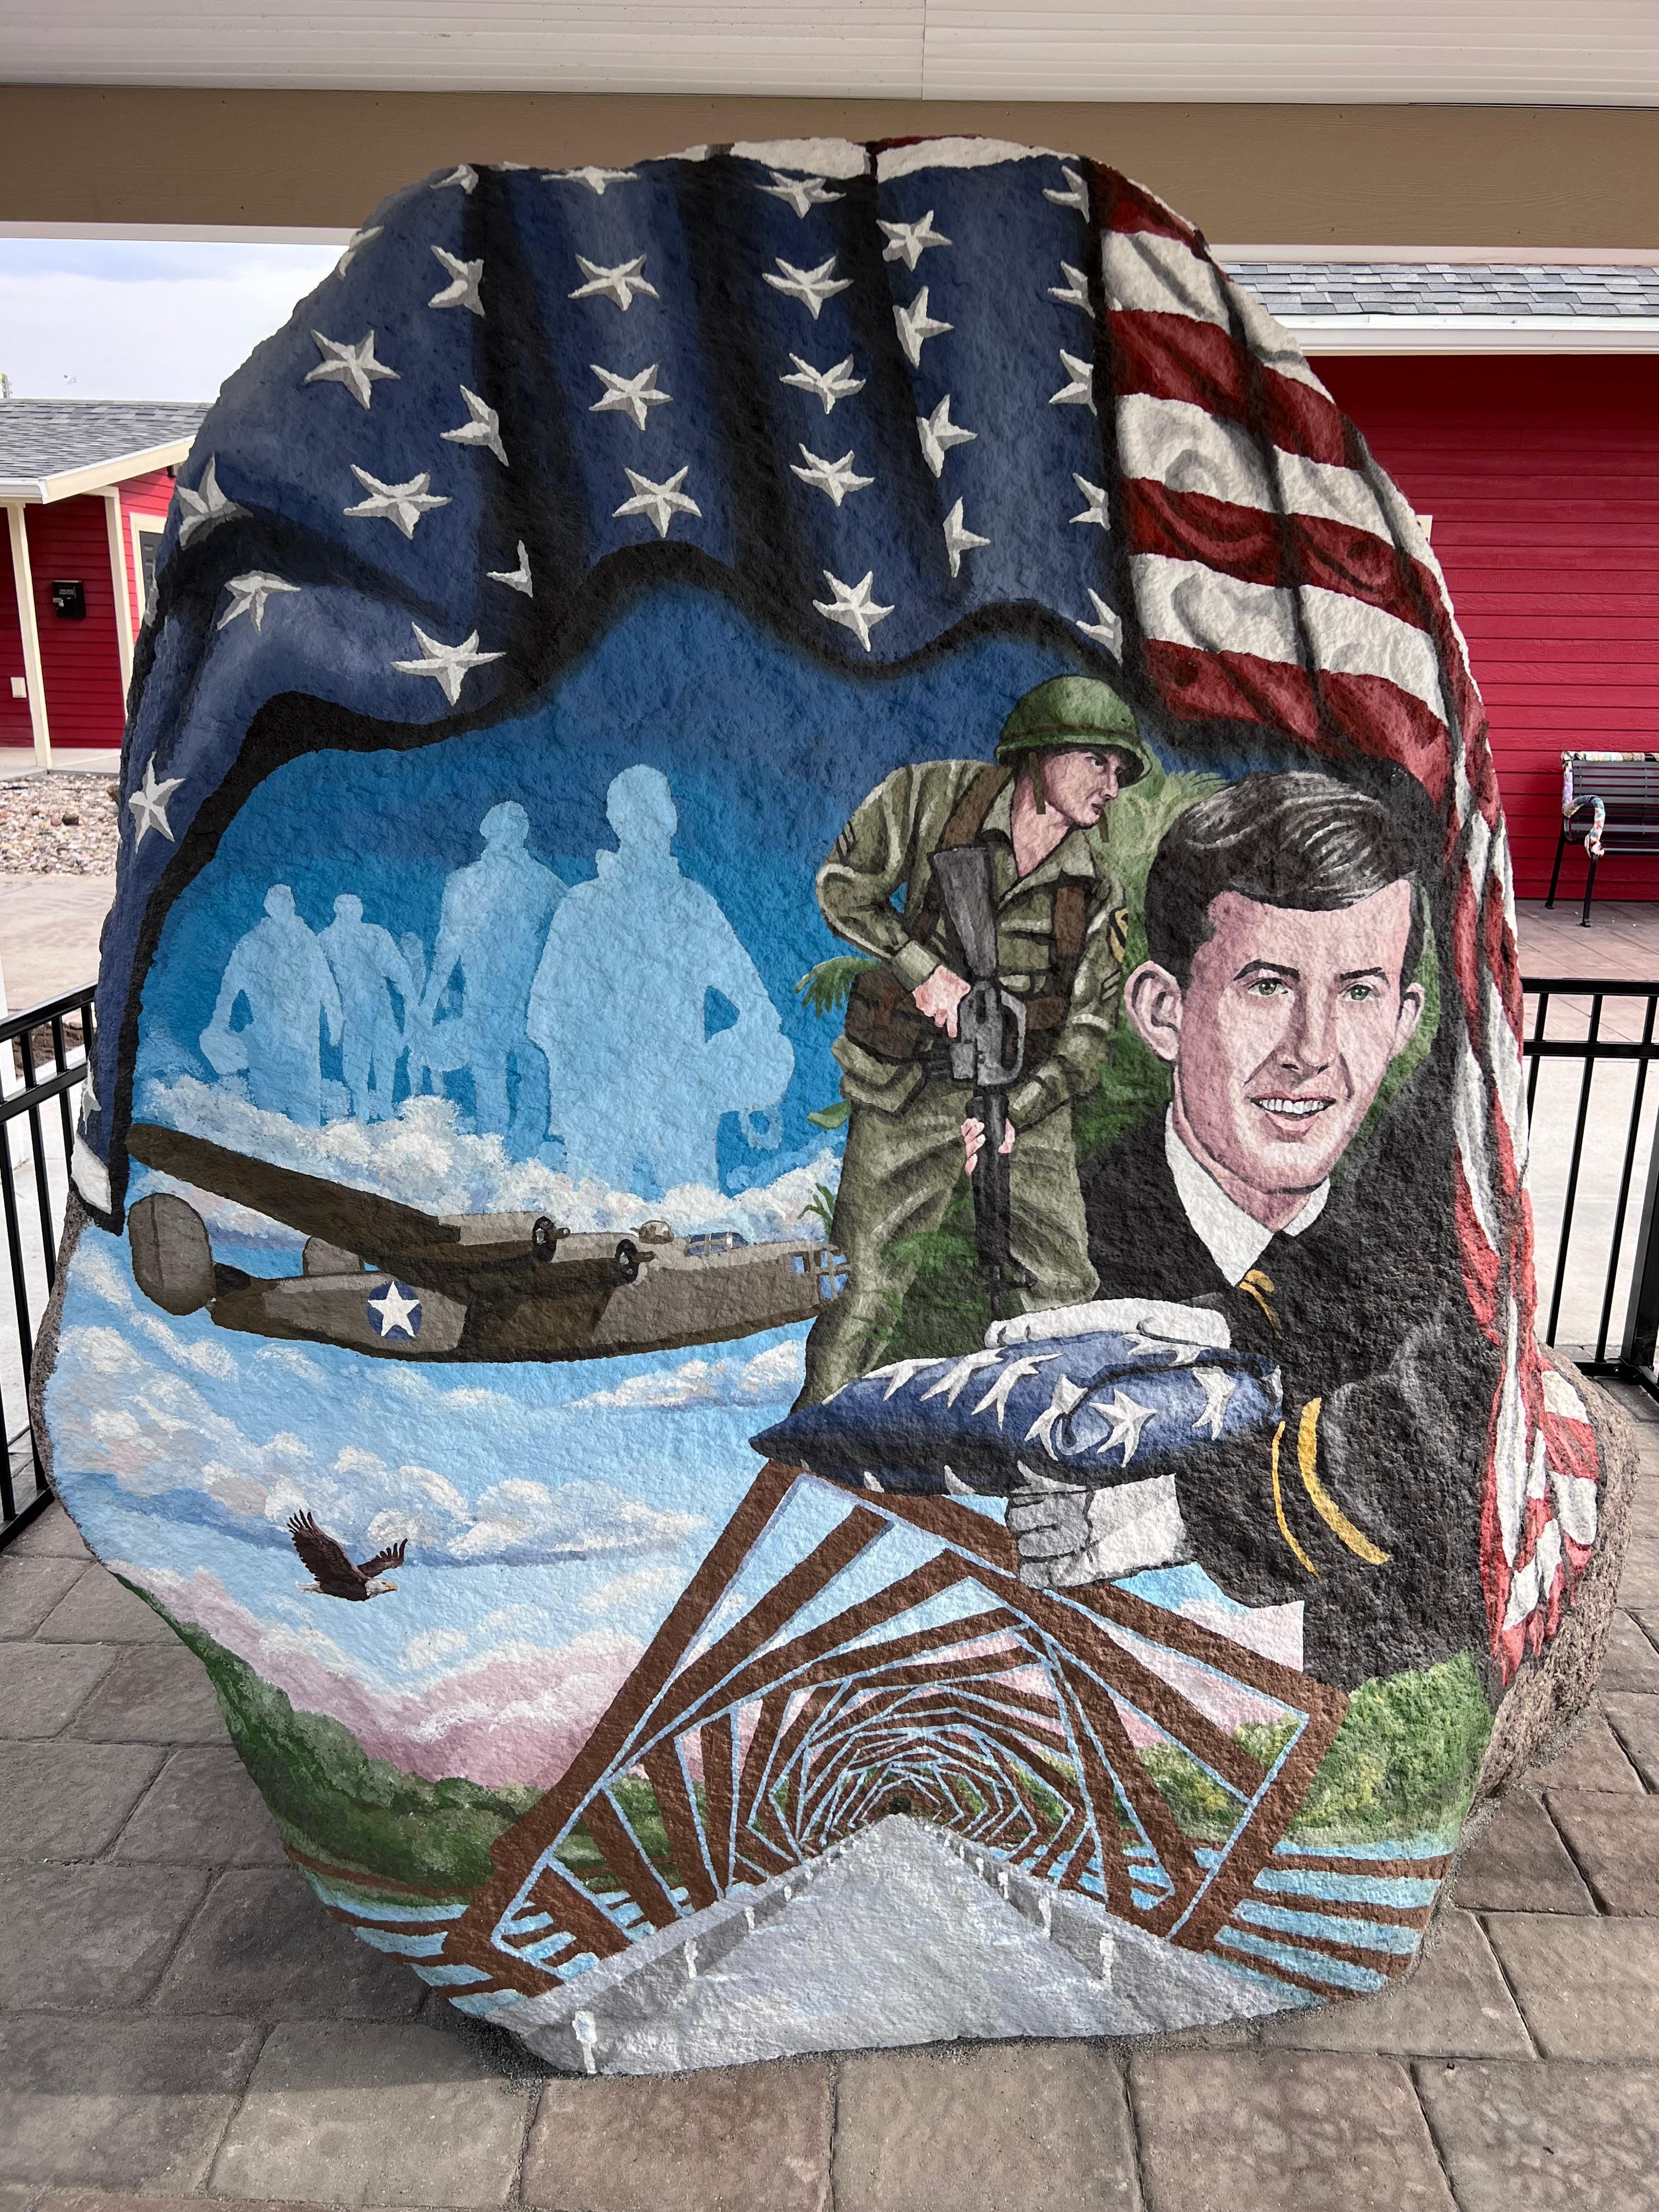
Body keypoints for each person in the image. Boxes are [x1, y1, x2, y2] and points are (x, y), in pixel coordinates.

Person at [1010, 770, 1499, 1688]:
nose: (1309, 1050)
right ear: (1161, 1010)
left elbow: (1462, 1403)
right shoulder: (1049, 1233)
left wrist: (1200, 1505)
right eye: (1266, 984)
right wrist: (1225, 1333)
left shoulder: (1435, 1202)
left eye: (1357, 992)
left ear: (1403, 1021)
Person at [798, 675, 1150, 1406]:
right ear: (1041, 753)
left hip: (1024, 1096)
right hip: (911, 1084)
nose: (1111, 785)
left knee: (1060, 1293)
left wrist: (1016, 1113)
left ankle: (1062, 1445)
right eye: (1097, 761)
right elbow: (842, 885)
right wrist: (923, 971)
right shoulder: (927, 798)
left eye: (1121, 772)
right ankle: (820, 1431)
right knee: (864, 1281)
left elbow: (1087, 1038)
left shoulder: (1097, 888)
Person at [528, 764, 794, 1194]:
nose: (661, 821)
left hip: (658, 1098)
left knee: (677, 1224)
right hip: (627, 1100)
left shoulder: (673, 905)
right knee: (655, 1227)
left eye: (662, 808)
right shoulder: (612, 907)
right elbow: (544, 1016)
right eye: (655, 809)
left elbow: (756, 1004)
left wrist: (749, 1061)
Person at [421, 801, 565, 1153]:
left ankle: (514, 1151)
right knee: (498, 1079)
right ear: (496, 831)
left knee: (520, 1075)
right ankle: (501, 1152)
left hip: (522, 1003)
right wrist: (427, 1002)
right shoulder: (472, 882)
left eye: (521, 826)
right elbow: (447, 948)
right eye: (511, 826)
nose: (517, 833)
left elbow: (573, 919)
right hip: (495, 1002)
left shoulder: (538, 880)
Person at [199, 885, 343, 1127]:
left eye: (286, 903)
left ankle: (306, 1146)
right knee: (268, 1107)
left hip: (303, 1039)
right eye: (276, 904)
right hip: (267, 1038)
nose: (282, 908)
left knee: (306, 1100)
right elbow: (230, 986)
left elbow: (326, 983)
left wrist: (335, 1018)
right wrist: (219, 1023)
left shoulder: (307, 941)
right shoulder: (252, 943)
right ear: (268, 908)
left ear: (292, 905)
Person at [318, 894, 418, 1122]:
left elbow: (396, 967)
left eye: (356, 906)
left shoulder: (374, 934)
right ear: (337, 909)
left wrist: (409, 996)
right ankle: (362, 1108)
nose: (354, 910)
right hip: (352, 1009)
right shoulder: (327, 939)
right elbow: (318, 975)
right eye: (348, 906)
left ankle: (384, 1108)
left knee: (386, 1055)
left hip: (379, 1005)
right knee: (356, 1060)